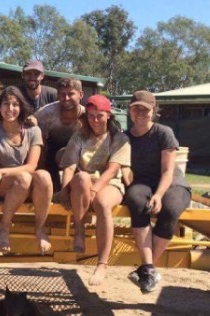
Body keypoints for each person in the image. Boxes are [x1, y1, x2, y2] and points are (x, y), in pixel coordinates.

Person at [57, 95, 130, 286]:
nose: (95, 120)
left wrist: (95, 190)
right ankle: (79, 230)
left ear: (108, 115)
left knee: (103, 204)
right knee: (80, 177)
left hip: (110, 183)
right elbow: (70, 166)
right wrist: (65, 190)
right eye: (90, 116)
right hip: (83, 185)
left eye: (99, 116)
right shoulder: (79, 137)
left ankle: (102, 263)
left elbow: (113, 168)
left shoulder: (118, 138)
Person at [123, 91, 191, 293]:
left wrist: (159, 195)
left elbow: (168, 171)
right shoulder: (124, 137)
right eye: (136, 108)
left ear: (153, 110)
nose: (140, 113)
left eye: (145, 109)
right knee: (135, 200)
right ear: (130, 110)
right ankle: (149, 269)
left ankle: (146, 269)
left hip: (172, 183)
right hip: (143, 183)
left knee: (170, 209)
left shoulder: (163, 132)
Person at [0, 86, 53, 255]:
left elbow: (31, 167)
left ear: (21, 107)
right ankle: (4, 227)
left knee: (43, 175)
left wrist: (3, 171)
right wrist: (1, 174)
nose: (10, 109)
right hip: (0, 185)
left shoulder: (33, 131)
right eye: (6, 104)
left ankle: (40, 228)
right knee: (24, 178)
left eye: (15, 104)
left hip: (22, 181)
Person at [35, 78, 86, 191]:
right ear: (58, 95)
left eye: (70, 94)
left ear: (81, 94)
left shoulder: (86, 116)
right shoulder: (46, 113)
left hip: (78, 153)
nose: (66, 98)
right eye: (62, 94)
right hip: (50, 151)